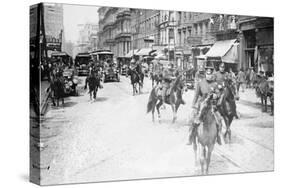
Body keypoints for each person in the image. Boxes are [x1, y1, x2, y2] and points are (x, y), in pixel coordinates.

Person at [186, 63, 224, 146]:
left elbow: (218, 93)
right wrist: (193, 106)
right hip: (201, 105)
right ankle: (190, 136)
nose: (209, 75)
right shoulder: (200, 83)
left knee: (219, 119)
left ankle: (218, 136)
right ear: (205, 74)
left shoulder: (215, 84)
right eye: (207, 74)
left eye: (210, 74)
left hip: (212, 106)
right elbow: (196, 95)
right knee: (193, 119)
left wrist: (216, 95)